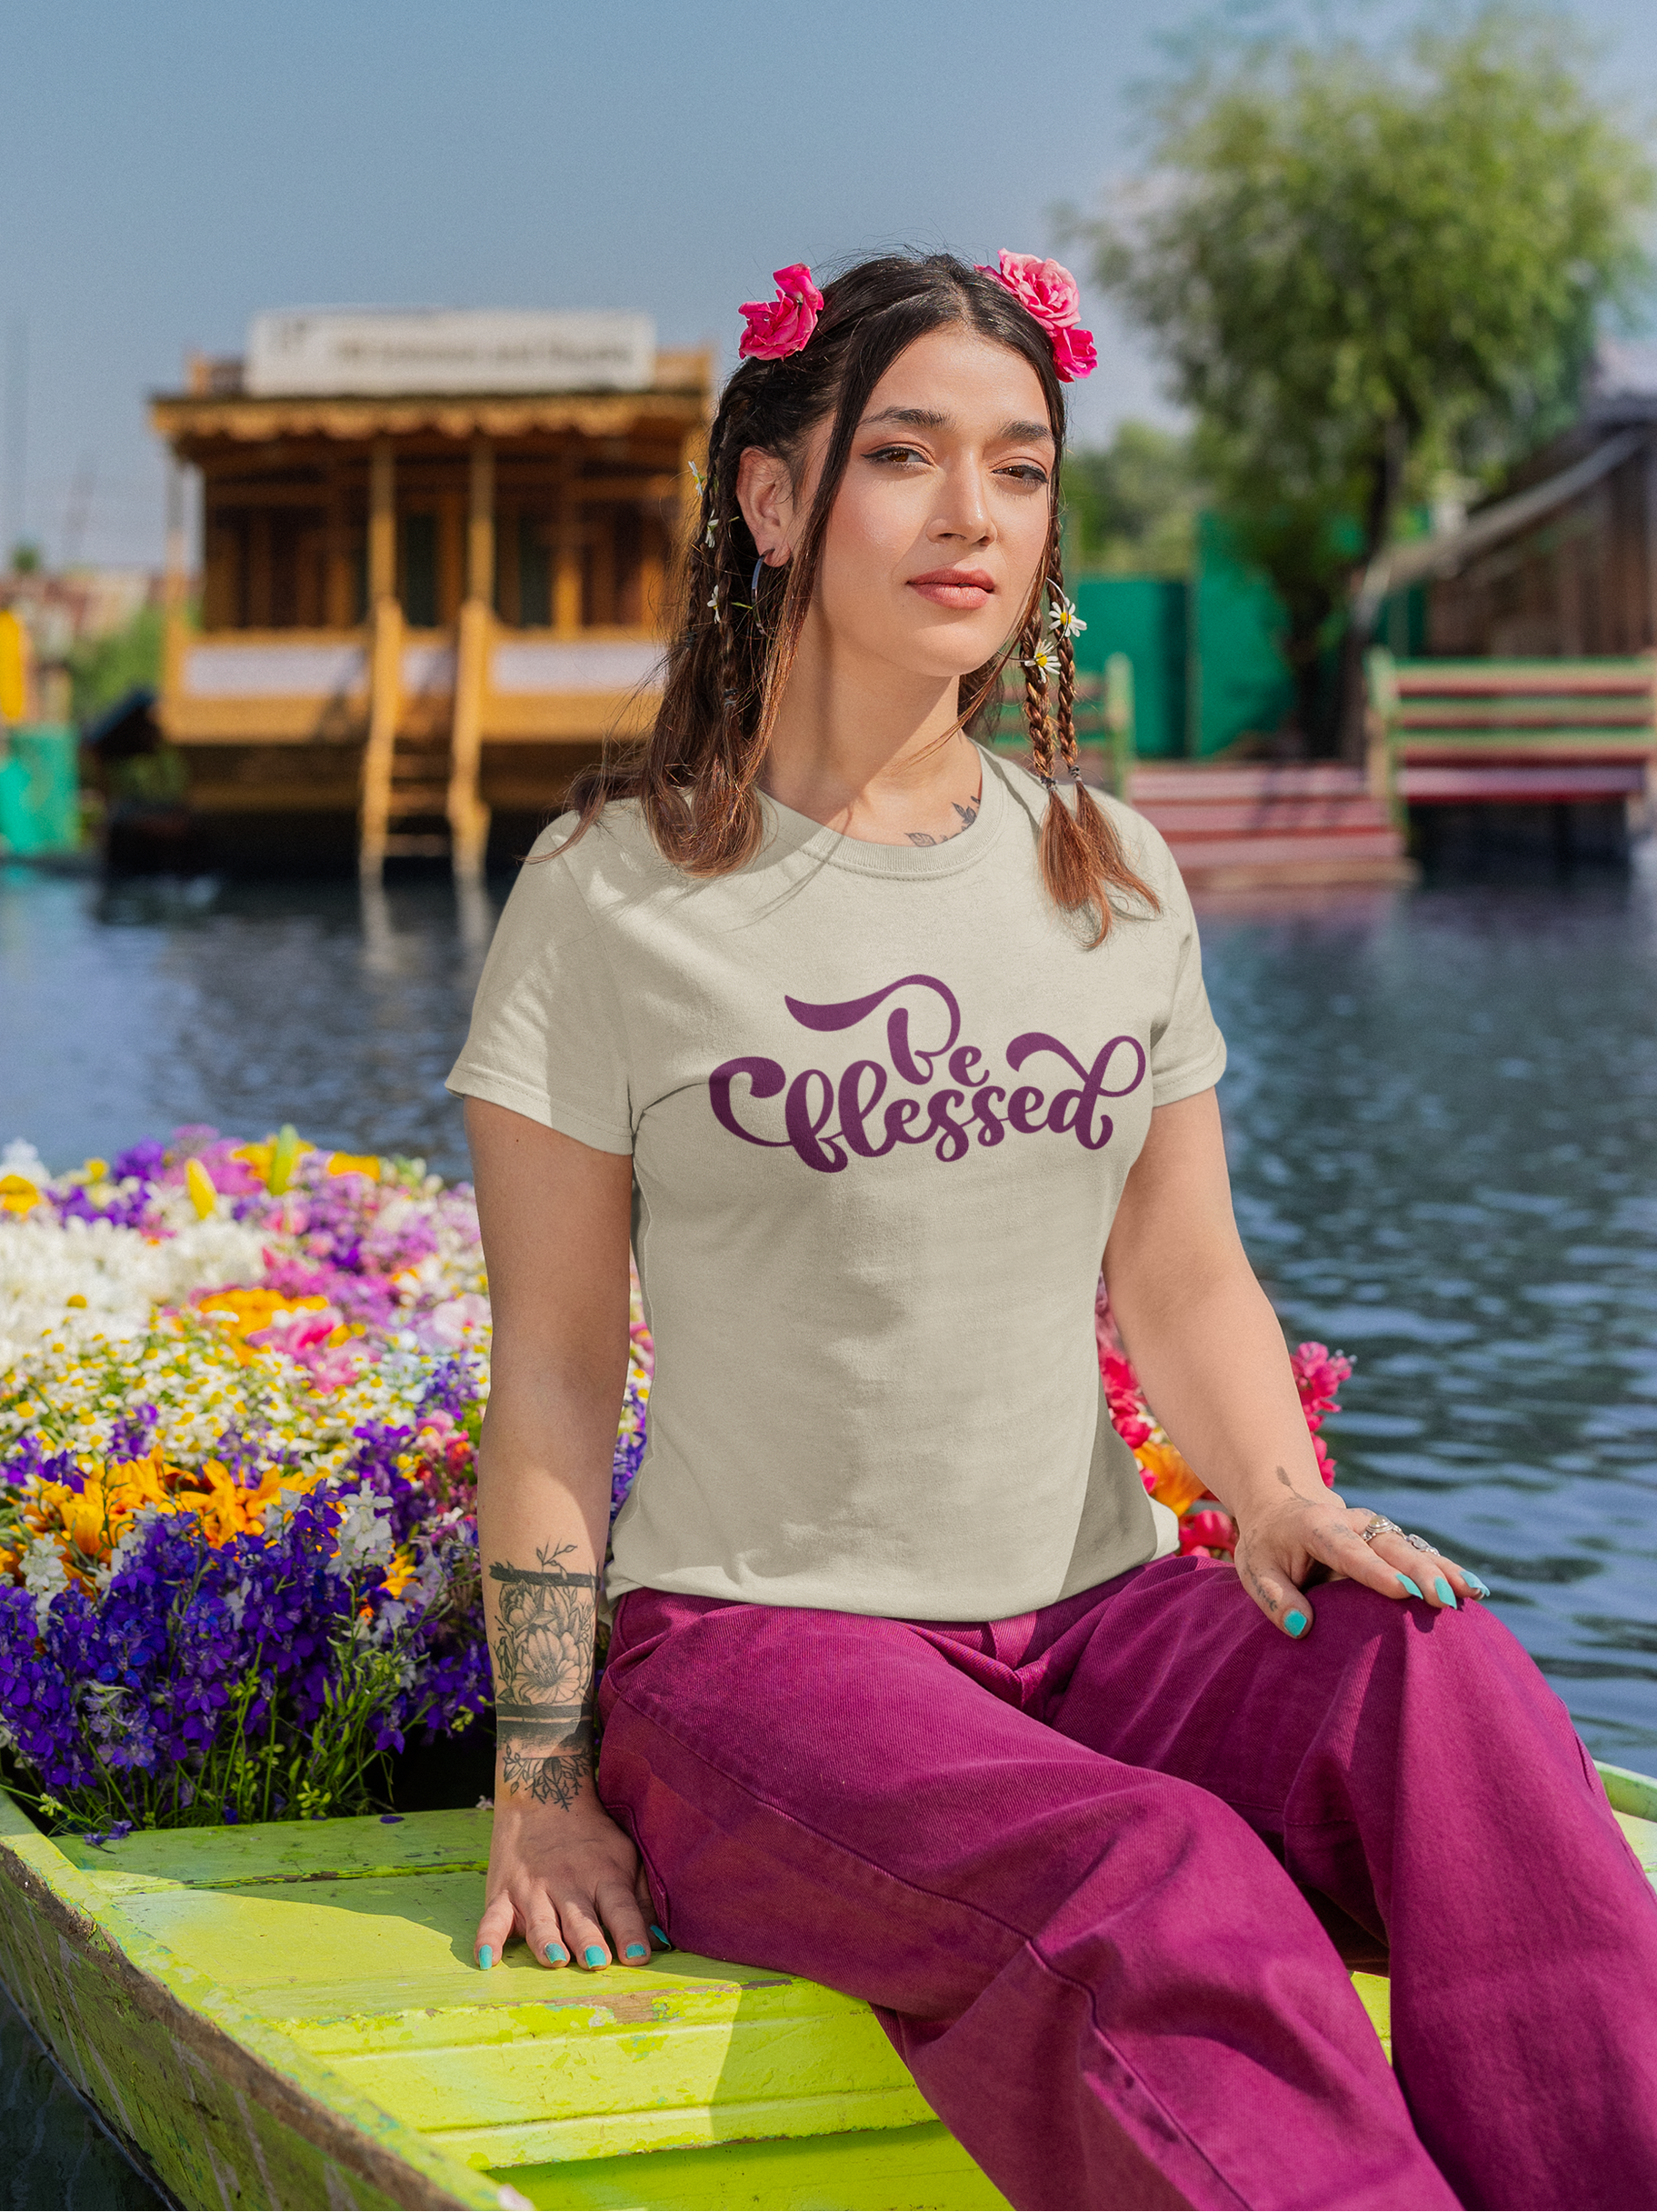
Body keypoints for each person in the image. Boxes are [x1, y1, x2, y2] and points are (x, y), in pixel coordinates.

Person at [446, 250, 1657, 2212]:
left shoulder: (1107, 871)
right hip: (764, 1655)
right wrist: (538, 1777)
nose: (971, 517)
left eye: (1016, 468)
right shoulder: (611, 896)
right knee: (1156, 1881)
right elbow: (560, 1367)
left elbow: (1179, 1269)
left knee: (1445, 1682)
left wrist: (1275, 1496)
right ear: (771, 498)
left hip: (1094, 1617)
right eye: (906, 456)